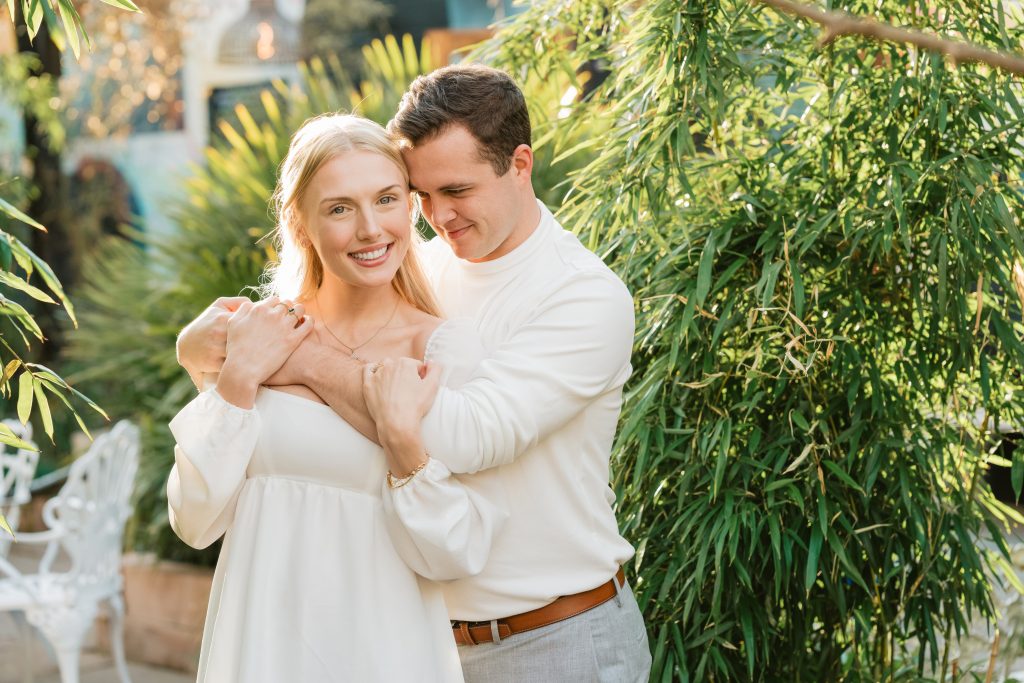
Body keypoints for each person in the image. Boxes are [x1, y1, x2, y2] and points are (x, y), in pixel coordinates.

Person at [178, 64, 652, 682]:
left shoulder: (582, 296)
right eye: (420, 195)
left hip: (549, 639)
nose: (437, 216)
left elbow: (466, 437)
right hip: (412, 642)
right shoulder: (418, 265)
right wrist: (198, 351)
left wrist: (300, 355)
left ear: (520, 164)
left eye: (456, 191)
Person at [167, 114, 505, 683]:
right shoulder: (257, 334)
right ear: (301, 222)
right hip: (260, 647)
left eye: (387, 199)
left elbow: (457, 554)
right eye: (340, 208)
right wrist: (238, 378)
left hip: (383, 649)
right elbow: (194, 520)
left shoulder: (441, 349)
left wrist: (404, 451)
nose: (371, 229)